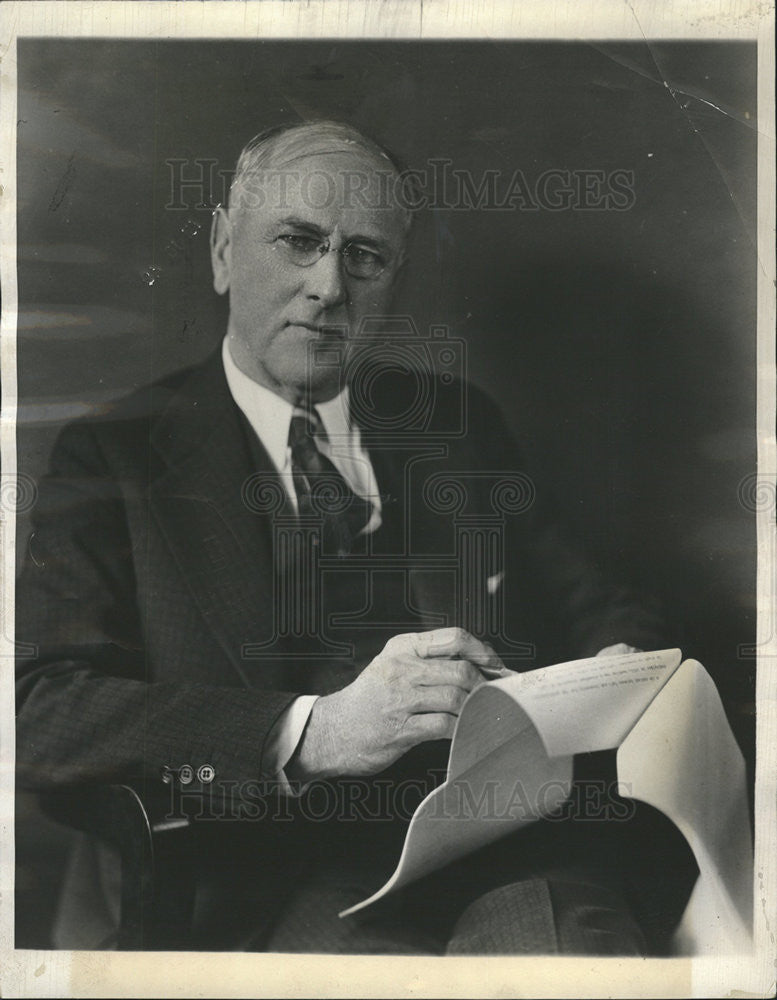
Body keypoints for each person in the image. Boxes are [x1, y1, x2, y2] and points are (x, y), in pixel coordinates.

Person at [15, 119, 681, 953]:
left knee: (567, 956)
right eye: (298, 241)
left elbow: (601, 607)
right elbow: (36, 713)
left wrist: (613, 672)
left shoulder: (453, 424)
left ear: (394, 277)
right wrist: (313, 732)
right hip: (273, 875)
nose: (329, 286)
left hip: (501, 844)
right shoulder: (111, 455)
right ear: (223, 249)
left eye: (364, 256)